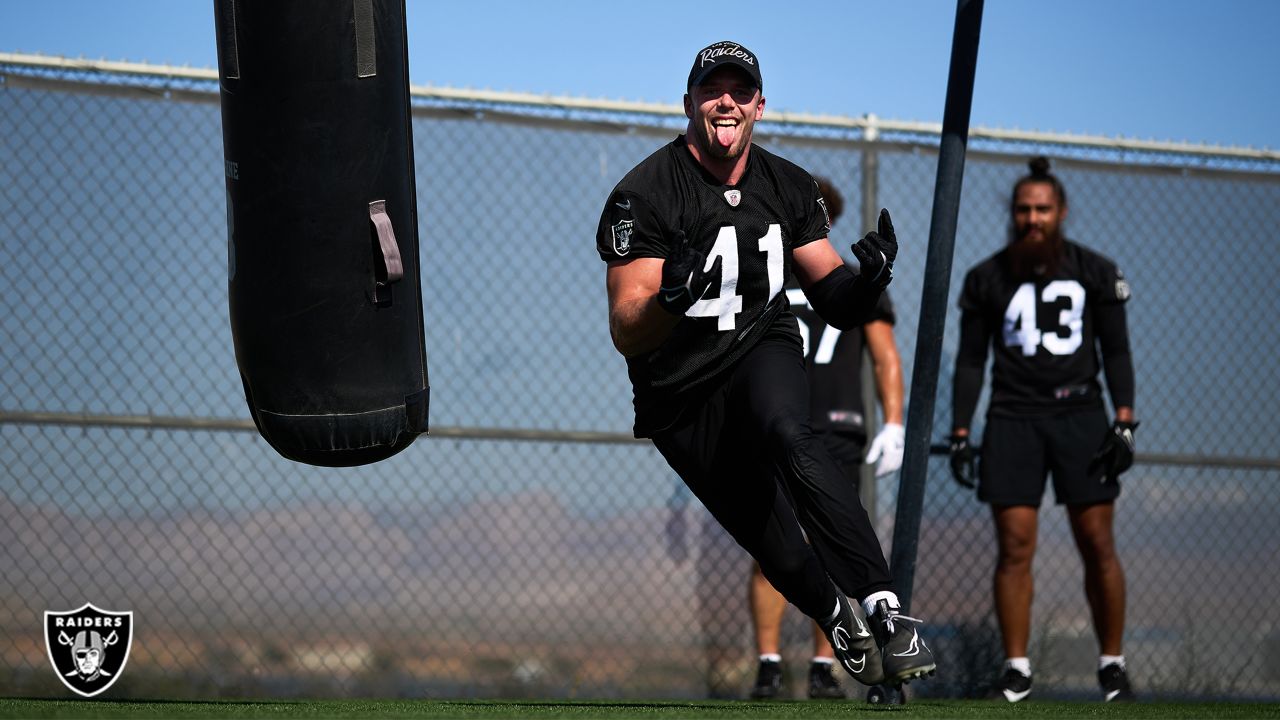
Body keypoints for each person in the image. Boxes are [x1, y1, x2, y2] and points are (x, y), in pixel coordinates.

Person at [596, 40, 935, 692]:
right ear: (690, 102)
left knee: (788, 430)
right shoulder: (643, 192)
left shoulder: (787, 184)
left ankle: (886, 608)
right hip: (677, 389)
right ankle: (833, 612)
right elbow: (627, 331)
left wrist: (867, 283)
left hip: (758, 343)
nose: (727, 101)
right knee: (765, 530)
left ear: (759, 105)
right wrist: (674, 299)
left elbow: (829, 293)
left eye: (740, 91)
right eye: (713, 90)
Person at [949, 156, 1138, 703]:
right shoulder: (986, 277)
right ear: (1013, 214)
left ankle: (1112, 665)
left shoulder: (1096, 270)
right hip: (1012, 416)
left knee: (1097, 541)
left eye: (1042, 209)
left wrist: (1124, 422)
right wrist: (962, 430)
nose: (1033, 219)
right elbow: (969, 362)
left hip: (1082, 414)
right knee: (1014, 546)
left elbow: (1118, 351)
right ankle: (1016, 670)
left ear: (1062, 211)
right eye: (1024, 209)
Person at [746, 177, 906, 700]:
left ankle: (825, 662)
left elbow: (884, 354)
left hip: (834, 427)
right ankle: (769, 663)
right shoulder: (757, 275)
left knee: (832, 544)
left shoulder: (848, 282)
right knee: (770, 548)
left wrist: (894, 422)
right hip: (771, 423)